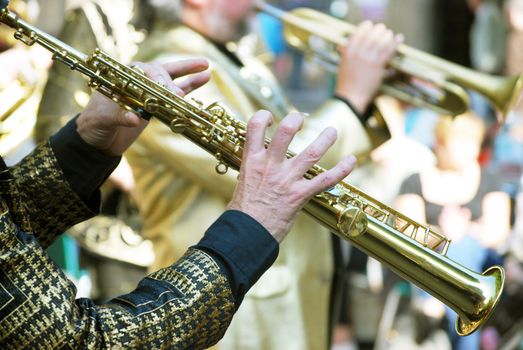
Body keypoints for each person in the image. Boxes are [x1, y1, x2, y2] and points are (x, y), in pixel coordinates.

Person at [0, 53, 357, 348]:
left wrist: (82, 151)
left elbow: (9, 233)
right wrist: (246, 232)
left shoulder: (248, 55)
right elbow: (76, 342)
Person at [126, 1, 401, 348]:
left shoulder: (237, 60)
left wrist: (372, 84)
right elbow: (275, 166)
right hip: (232, 313)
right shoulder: (167, 65)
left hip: (273, 305)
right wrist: (352, 97)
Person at [395, 112, 511, 350]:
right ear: (440, 143)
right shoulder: (414, 181)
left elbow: (497, 233)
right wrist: (444, 235)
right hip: (429, 265)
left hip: (480, 264)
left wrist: (463, 231)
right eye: (461, 142)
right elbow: (406, 232)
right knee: (459, 251)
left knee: (464, 248)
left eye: (473, 143)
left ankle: (436, 306)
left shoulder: (490, 180)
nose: (469, 150)